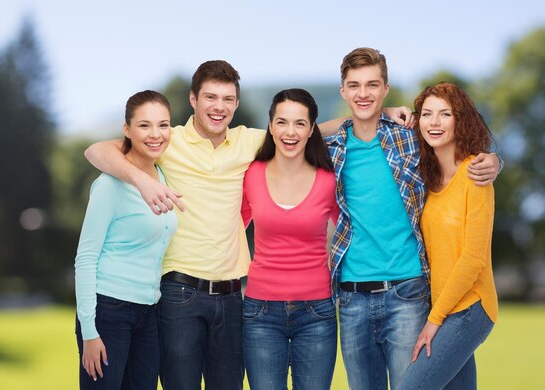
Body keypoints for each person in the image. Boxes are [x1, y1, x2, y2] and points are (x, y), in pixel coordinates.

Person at [84, 60, 413, 390]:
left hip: (232, 296)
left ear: (237, 104)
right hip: (178, 291)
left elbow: (312, 128)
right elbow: (97, 151)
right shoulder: (169, 140)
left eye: (228, 99)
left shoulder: (250, 143)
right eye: (210, 97)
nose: (219, 107)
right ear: (193, 100)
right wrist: (143, 181)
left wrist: (380, 114)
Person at [325, 48, 502, 390]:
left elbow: (460, 150)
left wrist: (494, 161)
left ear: (386, 88)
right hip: (351, 298)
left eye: (373, 85)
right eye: (355, 86)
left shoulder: (409, 140)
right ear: (343, 91)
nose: (364, 93)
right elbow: (298, 132)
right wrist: (375, 113)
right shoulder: (334, 149)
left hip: (408, 294)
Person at [75, 90, 177, 389]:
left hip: (149, 312)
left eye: (163, 125)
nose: (155, 134)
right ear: (127, 130)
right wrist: (89, 331)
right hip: (109, 313)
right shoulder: (109, 185)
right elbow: (85, 257)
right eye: (144, 125)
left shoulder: (163, 175)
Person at [399, 82, 498, 389]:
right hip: (443, 306)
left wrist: (434, 320)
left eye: (445, 114)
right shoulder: (427, 179)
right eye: (427, 114)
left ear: (461, 120)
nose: (435, 122)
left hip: (469, 308)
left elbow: (473, 259)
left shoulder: (476, 174)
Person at [240, 89, 339, 390]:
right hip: (259, 313)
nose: (290, 132)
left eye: (299, 124)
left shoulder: (329, 180)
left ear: (312, 130)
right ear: (270, 126)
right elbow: (229, 228)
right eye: (282, 122)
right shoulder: (251, 174)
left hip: (317, 313)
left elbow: (354, 233)